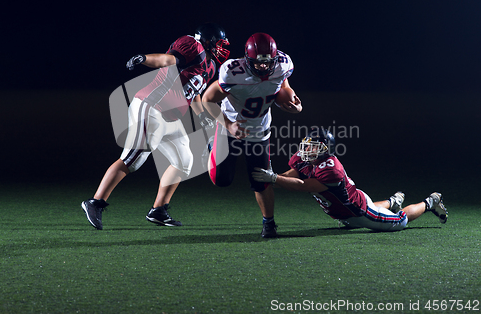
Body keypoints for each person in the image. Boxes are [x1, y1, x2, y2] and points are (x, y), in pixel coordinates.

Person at [81, 23, 230, 230]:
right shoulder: (193, 46)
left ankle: (158, 210)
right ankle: (95, 201)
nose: (221, 48)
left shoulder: (211, 66)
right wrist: (144, 59)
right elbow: (166, 60)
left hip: (171, 116)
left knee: (184, 161)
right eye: (219, 43)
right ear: (207, 40)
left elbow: (193, 92)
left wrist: (202, 117)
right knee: (133, 158)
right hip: (151, 106)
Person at [202, 33, 302, 238]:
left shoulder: (283, 65)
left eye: (268, 62)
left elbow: (284, 85)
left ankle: (269, 223)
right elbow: (206, 100)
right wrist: (228, 125)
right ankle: (212, 146)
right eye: (258, 63)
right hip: (230, 125)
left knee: (261, 179)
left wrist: (291, 101)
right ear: (247, 59)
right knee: (221, 180)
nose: (263, 67)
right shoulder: (232, 73)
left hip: (259, 130)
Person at [252, 128, 448, 231]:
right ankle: (392, 201)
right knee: (373, 207)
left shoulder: (331, 169)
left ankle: (430, 202)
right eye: (307, 145)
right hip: (345, 212)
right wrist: (274, 178)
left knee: (401, 222)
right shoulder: (305, 160)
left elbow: (303, 186)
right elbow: (291, 176)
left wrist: (274, 178)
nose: (307, 150)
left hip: (359, 212)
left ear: (325, 149)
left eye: (313, 146)